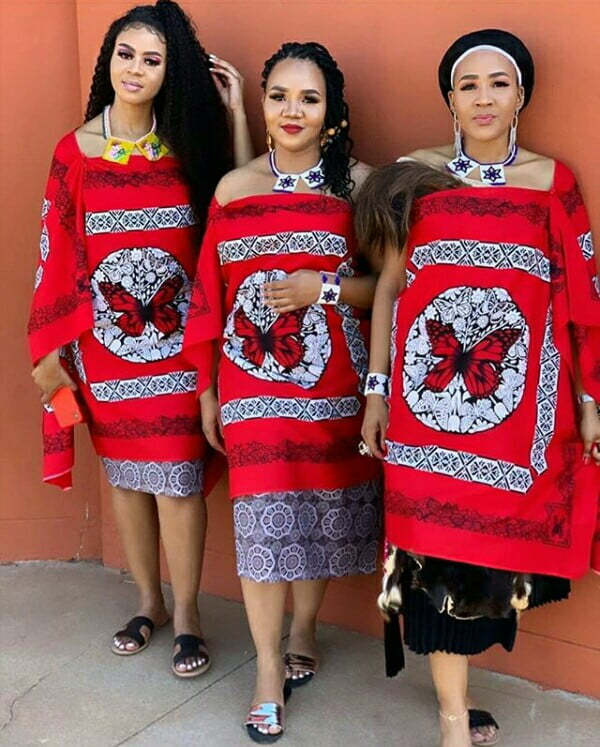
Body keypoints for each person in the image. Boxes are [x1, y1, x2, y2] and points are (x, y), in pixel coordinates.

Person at [358, 29, 600, 747]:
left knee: (488, 562)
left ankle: (460, 695)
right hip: (424, 406)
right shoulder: (414, 176)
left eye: (500, 83)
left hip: (518, 412)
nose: (485, 98)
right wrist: (375, 392)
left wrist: (588, 401)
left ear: (522, 94)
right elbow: (392, 290)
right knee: (432, 553)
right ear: (449, 99)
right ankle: (452, 721)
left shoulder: (552, 183)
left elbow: (580, 300)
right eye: (469, 86)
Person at [28, 0, 252, 678]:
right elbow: (56, 251)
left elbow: (239, 207)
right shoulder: (75, 152)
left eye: (152, 60)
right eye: (126, 54)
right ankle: (147, 600)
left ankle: (187, 613)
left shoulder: (188, 145)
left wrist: (238, 117)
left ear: (169, 73)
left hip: (182, 352)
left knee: (178, 482)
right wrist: (49, 351)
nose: (135, 68)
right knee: (126, 478)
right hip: (106, 348)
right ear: (108, 60)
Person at [184, 41, 381, 742]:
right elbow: (209, 297)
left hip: (335, 388)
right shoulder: (233, 189)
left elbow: (390, 286)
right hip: (248, 386)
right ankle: (267, 668)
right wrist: (209, 392)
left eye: (309, 98)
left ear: (331, 112)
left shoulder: (360, 185)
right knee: (262, 516)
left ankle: (304, 627)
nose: (292, 111)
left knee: (319, 512)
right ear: (261, 105)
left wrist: (319, 287)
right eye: (279, 97)